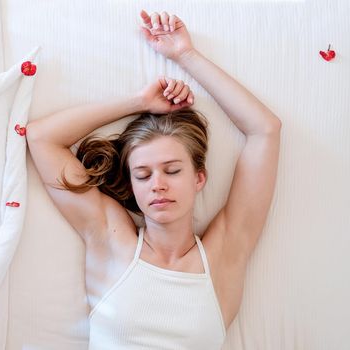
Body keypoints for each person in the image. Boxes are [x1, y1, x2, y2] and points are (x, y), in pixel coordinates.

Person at [26, 9, 281, 349]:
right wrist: (138, 102)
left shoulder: (225, 254)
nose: (158, 184)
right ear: (132, 185)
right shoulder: (110, 239)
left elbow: (266, 130)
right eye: (143, 175)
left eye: (173, 170)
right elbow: (42, 138)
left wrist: (185, 55)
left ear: (199, 178)